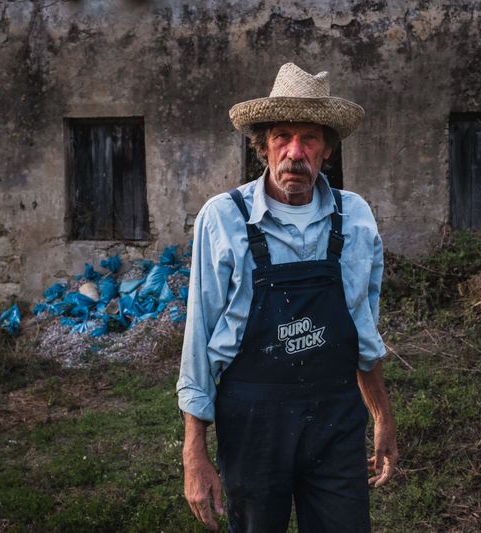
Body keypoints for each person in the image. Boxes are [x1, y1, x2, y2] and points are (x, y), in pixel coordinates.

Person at [176, 62, 398, 533]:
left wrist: (381, 415)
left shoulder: (355, 218)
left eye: (309, 138)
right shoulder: (223, 219)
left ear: (327, 149)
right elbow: (198, 342)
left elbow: (363, 330)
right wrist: (194, 452)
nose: (295, 152)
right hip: (253, 424)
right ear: (263, 145)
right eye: (282, 136)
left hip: (335, 421)